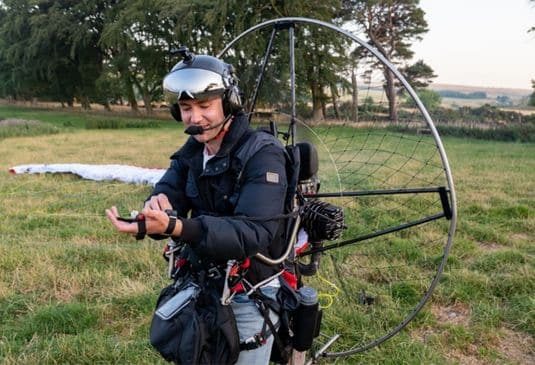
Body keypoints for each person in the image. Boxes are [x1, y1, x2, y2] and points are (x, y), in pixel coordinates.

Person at [105, 48, 289, 364]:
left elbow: (253, 232)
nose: (195, 118)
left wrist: (178, 226)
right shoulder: (194, 150)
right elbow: (168, 188)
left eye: (205, 106)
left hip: (250, 289)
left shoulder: (263, 155)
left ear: (228, 103)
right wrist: (152, 210)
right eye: (186, 108)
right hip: (201, 279)